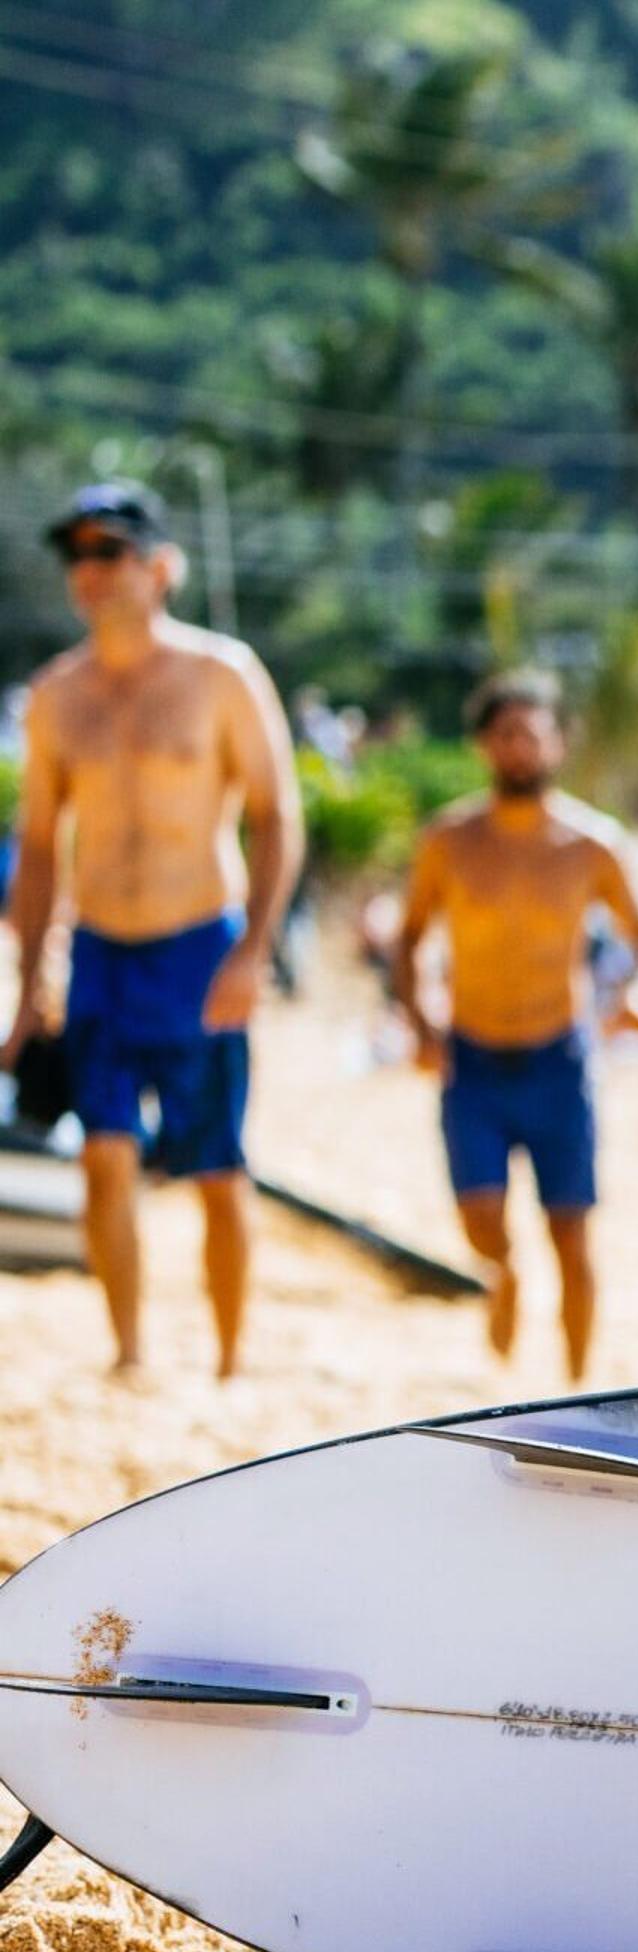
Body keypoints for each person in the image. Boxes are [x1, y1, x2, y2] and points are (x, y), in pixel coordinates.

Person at [4, 480, 301, 1378]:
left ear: (162, 566)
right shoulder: (57, 696)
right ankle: (130, 1354)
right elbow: (40, 845)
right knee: (102, 1156)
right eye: (77, 556)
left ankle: (228, 1357)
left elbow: (276, 814)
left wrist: (255, 951)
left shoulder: (222, 674)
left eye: (110, 552)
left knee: (216, 1167)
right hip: (100, 953)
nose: (89, 571)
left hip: (198, 946)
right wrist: (28, 983)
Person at [388, 668, 638, 1380]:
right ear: (483, 746)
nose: (518, 749)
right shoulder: (450, 841)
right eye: (505, 735)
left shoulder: (592, 844)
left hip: (557, 1057)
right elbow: (409, 936)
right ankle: (501, 1278)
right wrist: (420, 1022)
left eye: (532, 736)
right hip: (471, 1056)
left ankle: (577, 1384)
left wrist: (637, 989)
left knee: (571, 1233)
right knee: (481, 1223)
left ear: (557, 744)